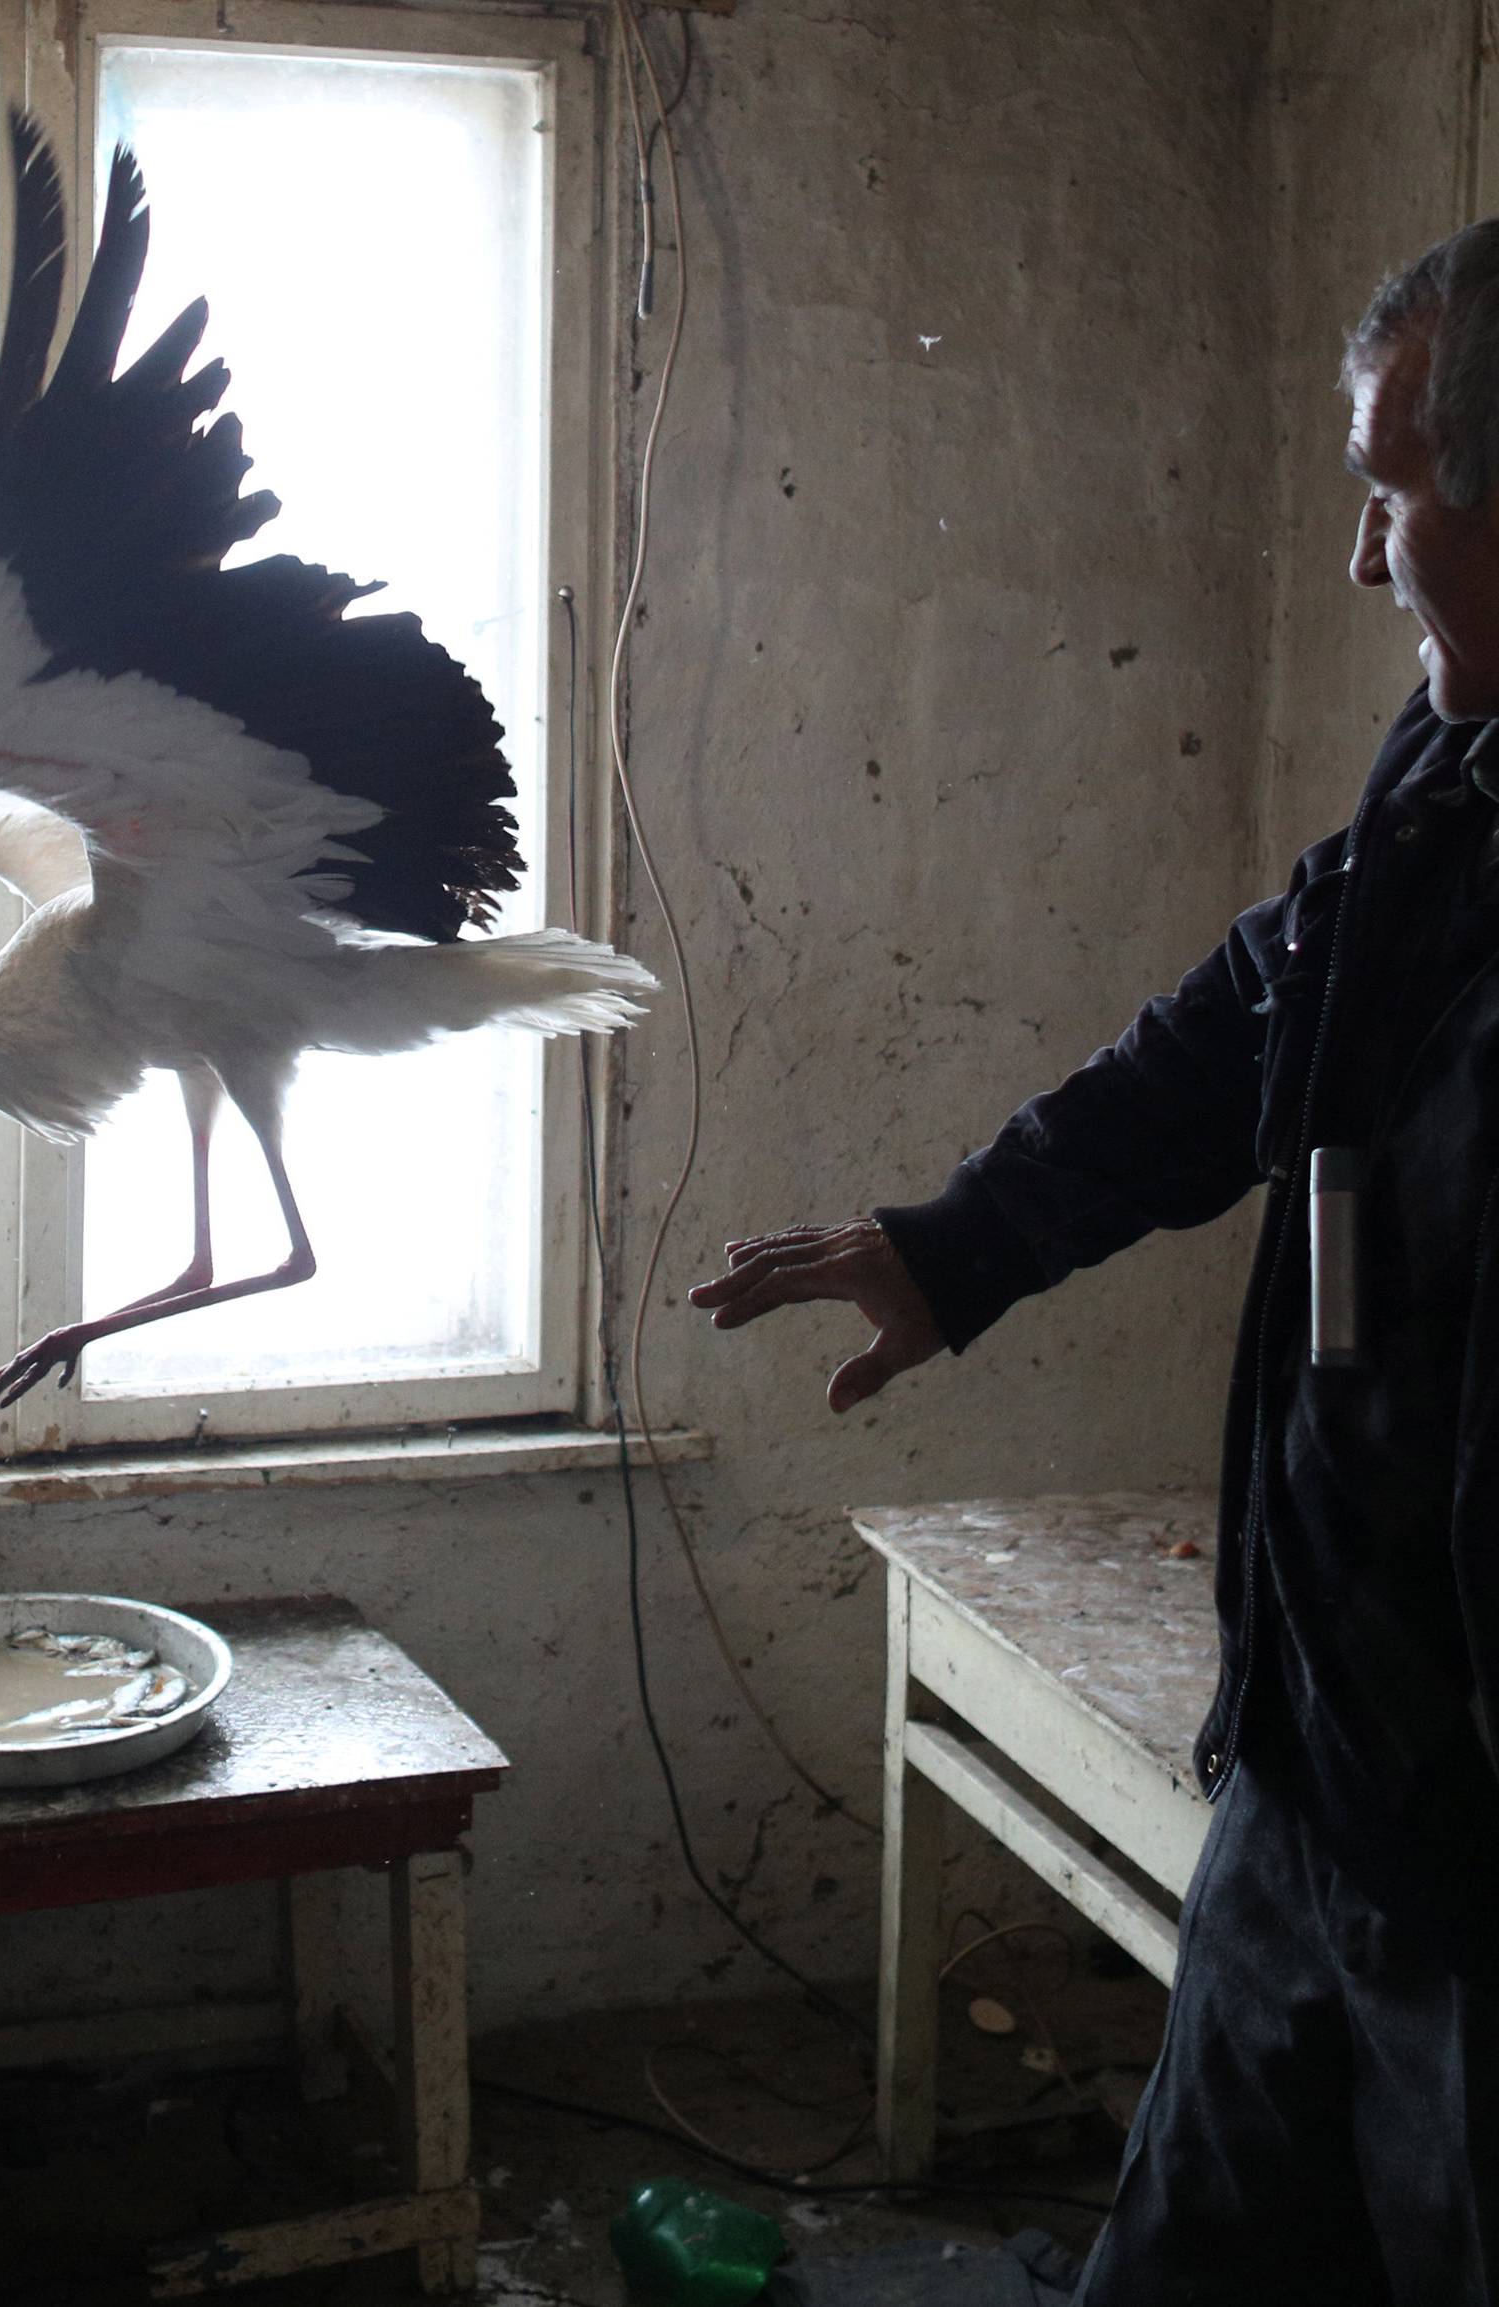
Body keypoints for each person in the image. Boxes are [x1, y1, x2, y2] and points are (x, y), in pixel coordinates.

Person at [691, 220, 1499, 2306]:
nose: (1354, 557)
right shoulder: (1450, 778)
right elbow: (1250, 1018)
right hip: (1320, 1766)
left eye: (1387, 493)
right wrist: (957, 1246)